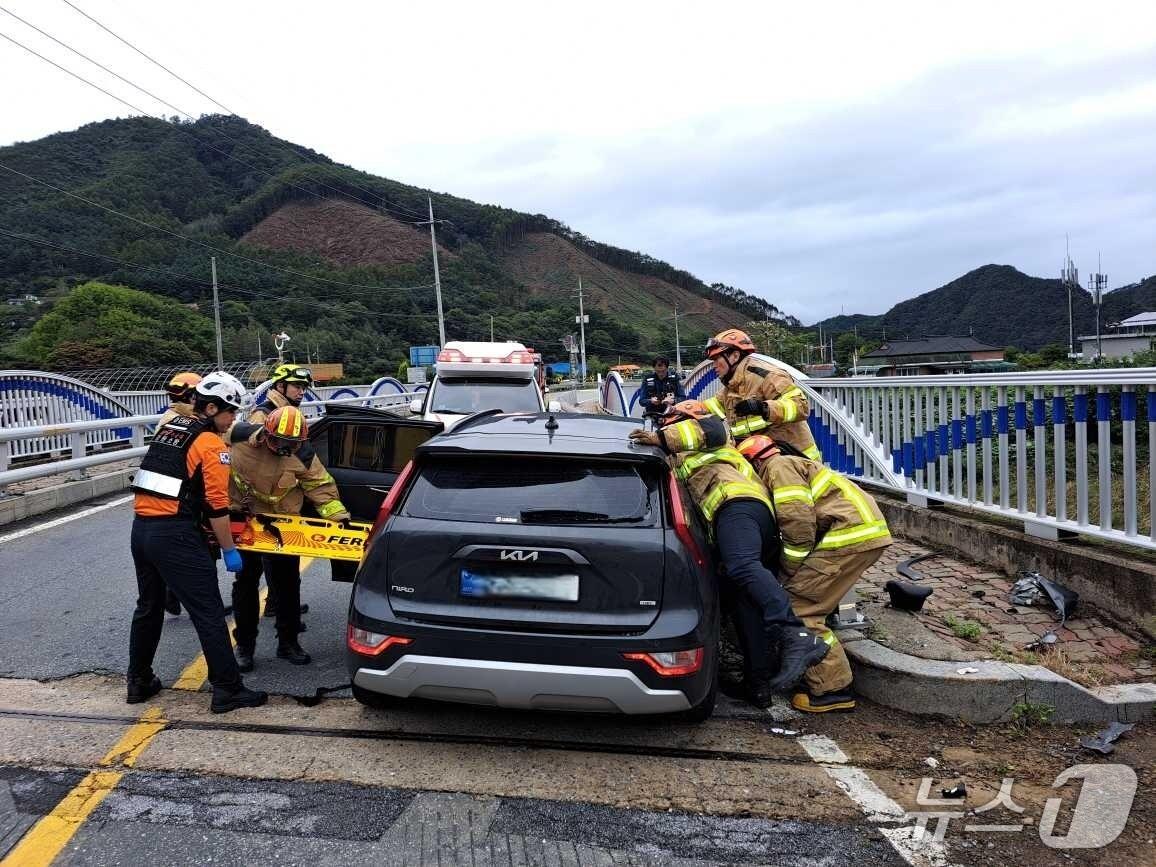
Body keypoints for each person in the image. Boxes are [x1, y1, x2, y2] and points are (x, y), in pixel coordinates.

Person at [629, 400, 829, 706]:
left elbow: (712, 429)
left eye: (671, 420)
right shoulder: (683, 453)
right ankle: (758, 686)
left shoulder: (710, 430)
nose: (666, 425)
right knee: (744, 604)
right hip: (745, 518)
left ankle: (795, 634)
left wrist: (661, 438)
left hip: (738, 506)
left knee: (742, 566)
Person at [128, 371, 267, 713]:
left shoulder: (170, 430)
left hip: (141, 530)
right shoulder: (211, 445)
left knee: (148, 607)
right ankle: (228, 689)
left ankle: (139, 681)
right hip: (175, 535)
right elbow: (217, 507)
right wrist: (230, 550)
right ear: (211, 408)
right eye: (231, 412)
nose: (233, 419)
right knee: (208, 612)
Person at [737, 434, 892, 713]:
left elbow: (797, 525)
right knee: (808, 602)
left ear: (753, 462)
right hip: (860, 534)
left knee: (799, 608)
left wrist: (788, 572)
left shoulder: (778, 468)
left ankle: (832, 688)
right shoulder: (791, 463)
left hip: (847, 538)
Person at [228, 405, 351, 671]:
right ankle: (244, 646)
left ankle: (288, 643)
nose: (285, 448)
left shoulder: (303, 453)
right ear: (265, 433)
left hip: (284, 526)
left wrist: (339, 517)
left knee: (287, 586)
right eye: (279, 441)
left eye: (292, 444)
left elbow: (320, 486)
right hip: (247, 522)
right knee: (246, 584)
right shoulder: (237, 436)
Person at [243, 363, 315, 622]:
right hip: (262, 504)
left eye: (304, 387)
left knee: (283, 563)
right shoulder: (262, 415)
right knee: (265, 566)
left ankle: (277, 604)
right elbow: (252, 459)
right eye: (297, 386)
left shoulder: (289, 413)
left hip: (282, 502)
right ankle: (277, 612)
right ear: (280, 386)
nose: (302, 392)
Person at [702, 329, 822, 461]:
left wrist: (763, 408)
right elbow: (710, 407)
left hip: (795, 460)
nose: (713, 366)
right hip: (762, 459)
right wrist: (687, 411)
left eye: (716, 359)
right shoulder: (731, 386)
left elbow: (801, 406)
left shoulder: (767, 375)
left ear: (735, 356)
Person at [157, 371, 203, 616]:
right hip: (178, 497)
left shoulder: (173, 416)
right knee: (189, 550)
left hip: (172, 494)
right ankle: (178, 595)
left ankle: (172, 594)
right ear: (192, 396)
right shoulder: (179, 422)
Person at [638, 356, 685, 423]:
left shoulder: (674, 379)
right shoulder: (647, 379)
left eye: (663, 371)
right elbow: (642, 401)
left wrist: (673, 401)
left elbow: (683, 397)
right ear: (654, 368)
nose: (661, 374)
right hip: (652, 415)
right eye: (658, 371)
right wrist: (651, 401)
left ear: (667, 368)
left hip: (672, 415)